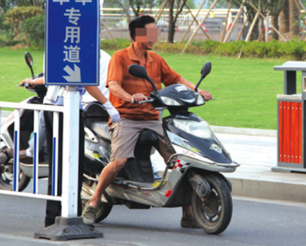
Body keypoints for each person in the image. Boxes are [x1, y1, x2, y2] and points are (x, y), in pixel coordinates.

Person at [82, 15, 213, 227]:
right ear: (137, 35)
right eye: (150, 33)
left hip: (153, 118)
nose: (154, 37)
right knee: (119, 161)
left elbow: (176, 79)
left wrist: (197, 91)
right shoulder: (120, 57)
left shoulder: (156, 59)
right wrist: (130, 97)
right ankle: (95, 199)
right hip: (126, 117)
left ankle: (188, 212)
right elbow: (113, 85)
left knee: (180, 159)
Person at [21, 52, 120, 227]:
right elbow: (85, 83)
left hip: (66, 107)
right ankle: (56, 218)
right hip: (63, 109)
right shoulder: (78, 51)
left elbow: (69, 79)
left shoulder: (66, 49)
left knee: (67, 166)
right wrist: (108, 104)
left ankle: (58, 217)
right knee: (65, 166)